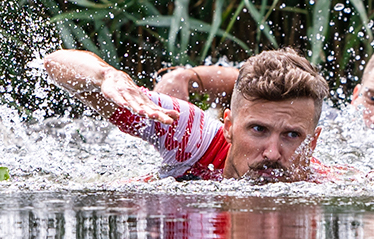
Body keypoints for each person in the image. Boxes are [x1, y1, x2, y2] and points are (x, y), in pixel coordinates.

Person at [40, 48, 330, 182]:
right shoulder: (192, 135)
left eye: (292, 135)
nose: (272, 153)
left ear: (313, 142)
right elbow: (55, 63)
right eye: (258, 130)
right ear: (228, 127)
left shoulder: (323, 182)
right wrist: (107, 76)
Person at [155, 44, 374, 136]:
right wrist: (187, 77)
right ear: (355, 95)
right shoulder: (324, 120)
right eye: (372, 98)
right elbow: (253, 81)